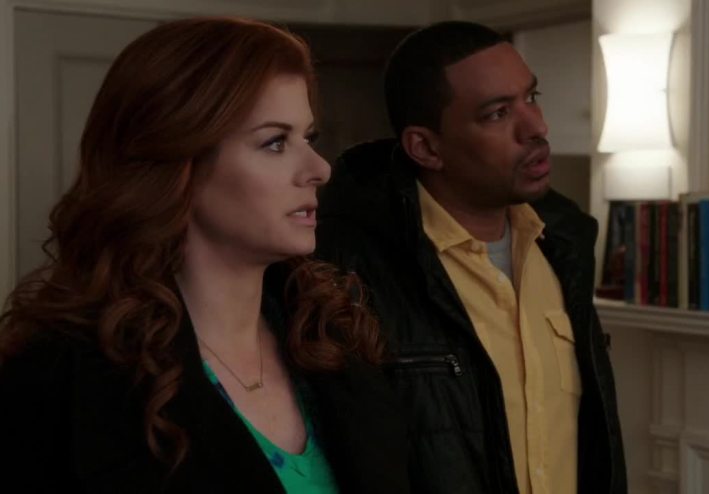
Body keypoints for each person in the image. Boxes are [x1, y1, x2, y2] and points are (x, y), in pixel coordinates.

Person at [0, 17, 409, 494]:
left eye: (309, 139)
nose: (319, 169)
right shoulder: (61, 375)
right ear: (179, 163)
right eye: (275, 142)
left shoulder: (335, 338)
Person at [315, 21, 626, 494]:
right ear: (426, 147)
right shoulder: (349, 272)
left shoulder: (564, 245)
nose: (536, 127)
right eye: (498, 113)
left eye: (532, 97)